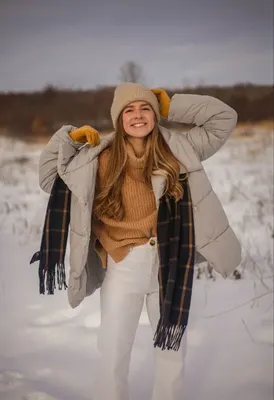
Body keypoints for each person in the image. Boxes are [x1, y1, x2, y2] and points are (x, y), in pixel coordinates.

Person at [36, 83, 241, 400]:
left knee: (171, 352)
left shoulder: (179, 150)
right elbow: (51, 177)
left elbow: (223, 118)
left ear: (155, 114)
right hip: (123, 265)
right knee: (114, 352)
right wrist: (69, 138)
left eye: (145, 107)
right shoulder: (98, 159)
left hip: (170, 264)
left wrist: (172, 106)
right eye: (128, 110)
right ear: (118, 118)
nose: (137, 115)